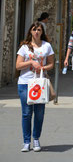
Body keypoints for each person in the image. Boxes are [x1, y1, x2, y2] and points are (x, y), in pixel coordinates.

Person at [16, 21, 54, 152]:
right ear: (30, 32)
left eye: (39, 30)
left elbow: (51, 64)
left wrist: (42, 68)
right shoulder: (24, 47)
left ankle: (36, 139)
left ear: (42, 32)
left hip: (40, 83)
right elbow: (18, 65)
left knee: (39, 113)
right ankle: (26, 142)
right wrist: (31, 62)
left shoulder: (47, 46)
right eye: (34, 30)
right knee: (26, 113)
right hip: (25, 83)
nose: (36, 32)